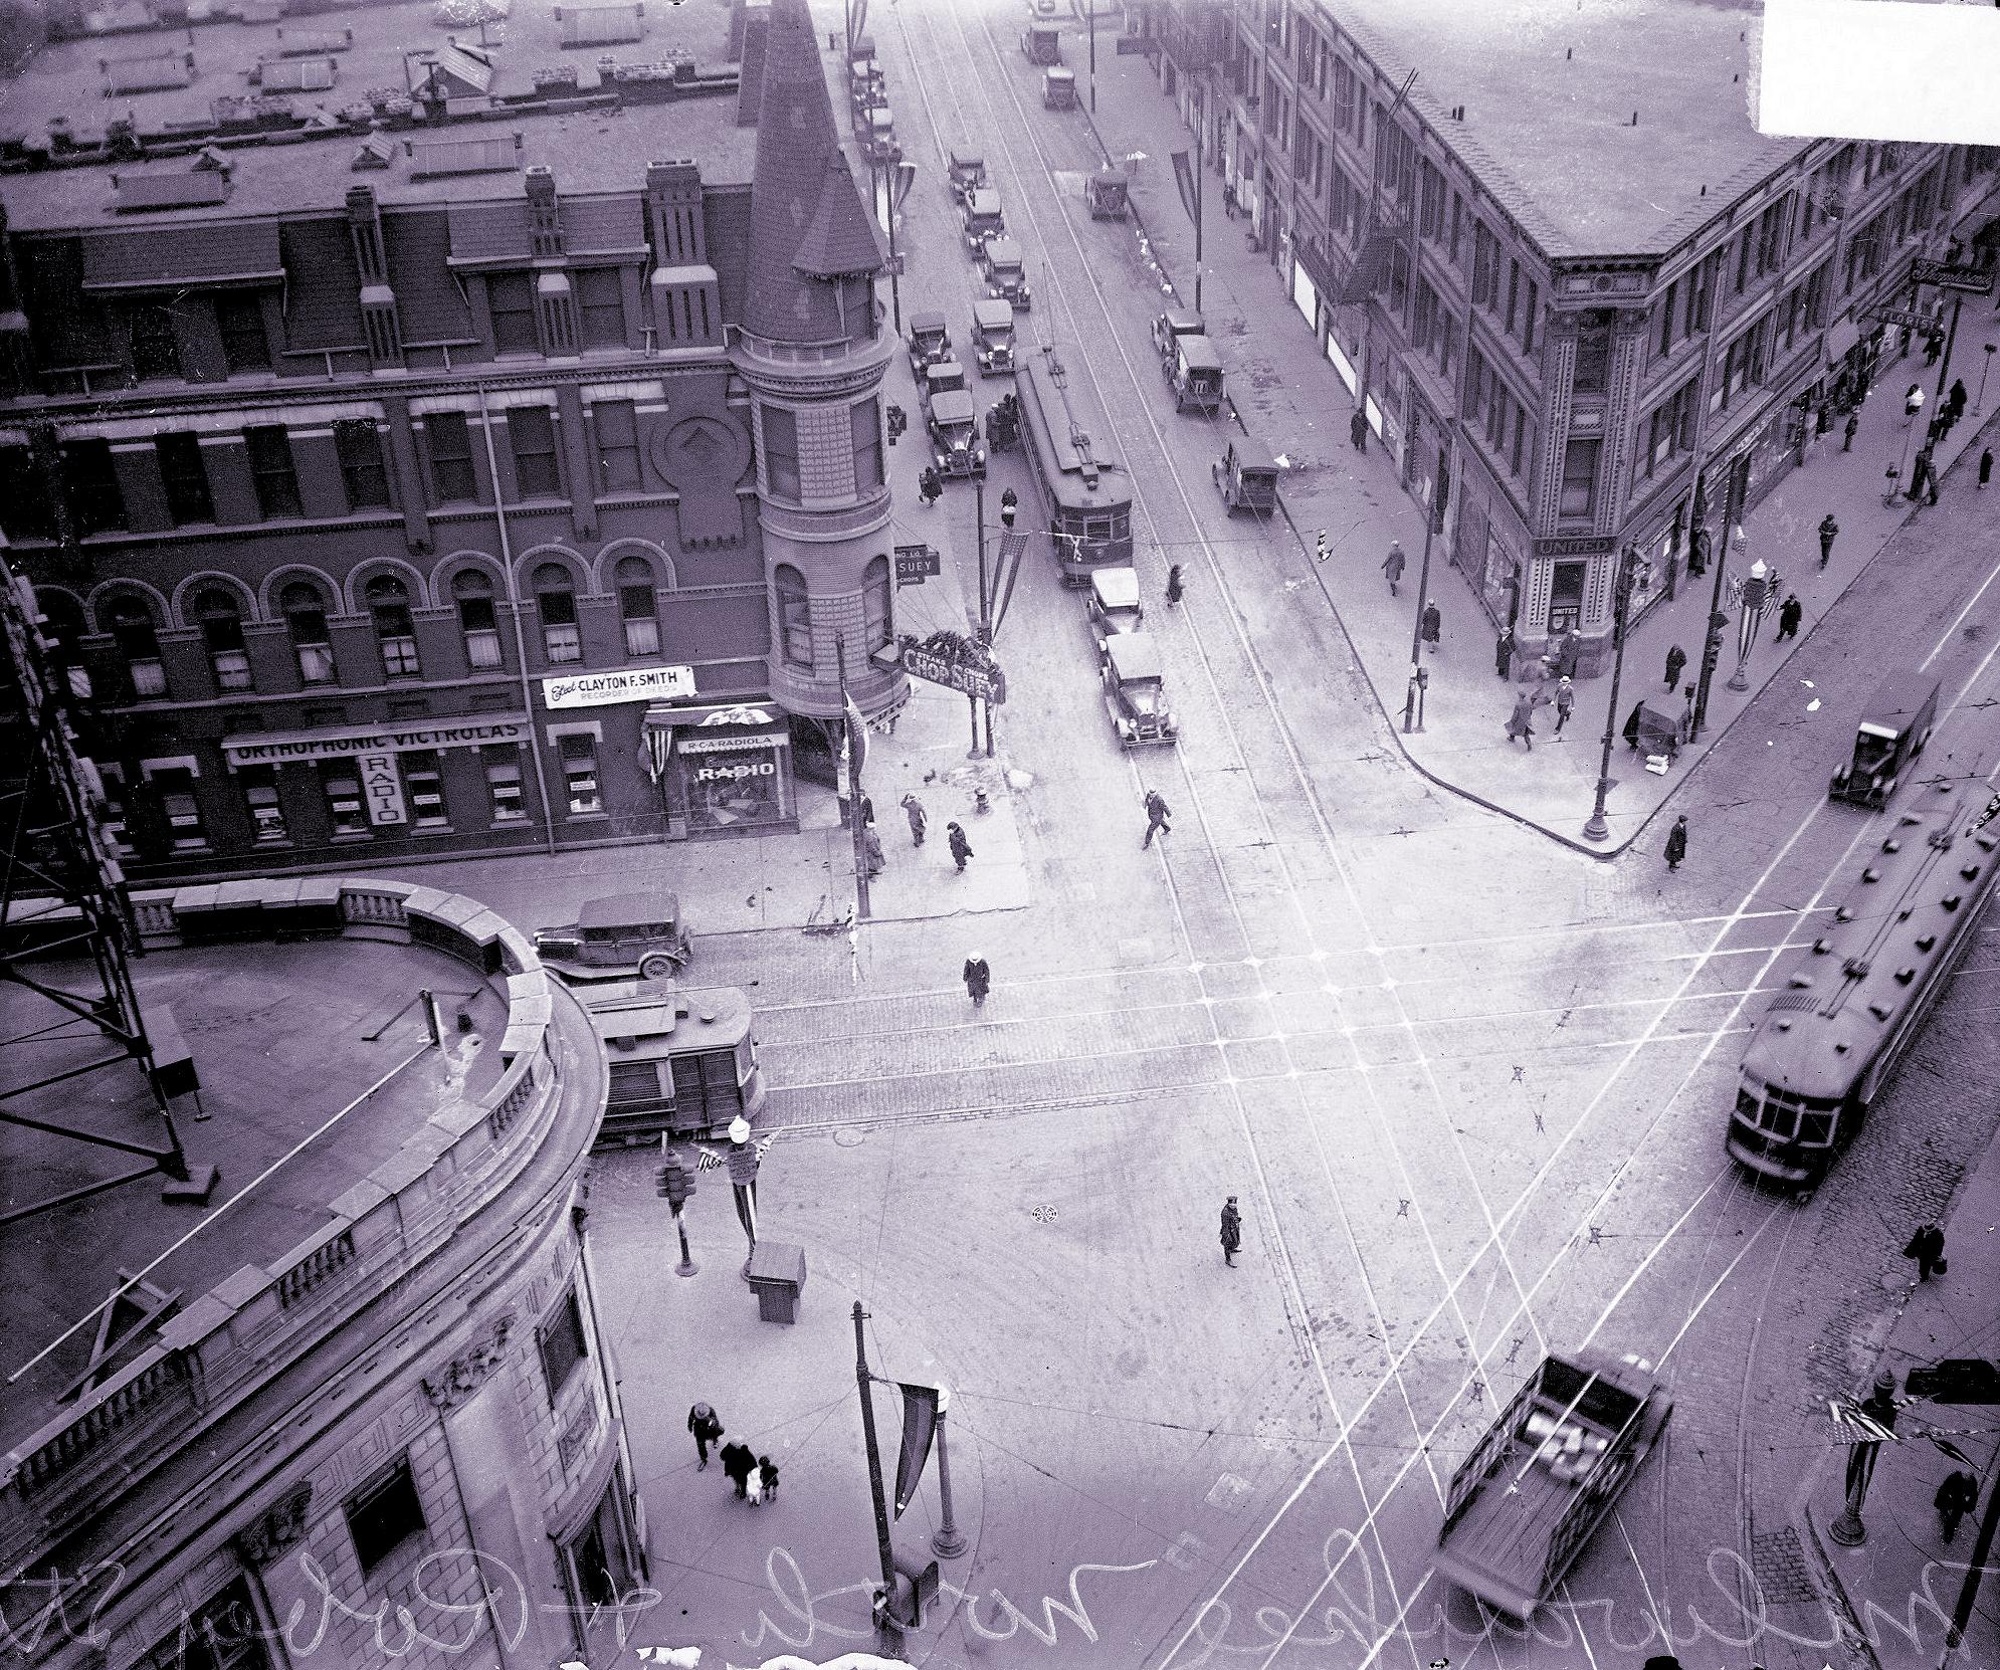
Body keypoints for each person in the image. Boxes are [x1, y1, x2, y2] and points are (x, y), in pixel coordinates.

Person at [1936, 1470, 1979, 1543]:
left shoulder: (1970, 1484)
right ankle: (1948, 1526)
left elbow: (1973, 1495)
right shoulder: (1954, 1479)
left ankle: (1949, 1530)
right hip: (1951, 1499)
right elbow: (1944, 1489)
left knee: (1955, 1514)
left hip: (1959, 1502)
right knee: (1948, 1513)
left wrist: (1970, 1505)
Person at [688, 1403, 724, 1470]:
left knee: (719, 1431)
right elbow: (690, 1418)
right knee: (700, 1445)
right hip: (699, 1430)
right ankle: (703, 1459)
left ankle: (715, 1440)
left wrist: (711, 1423)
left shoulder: (711, 1411)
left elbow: (716, 1422)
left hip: (709, 1429)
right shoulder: (694, 1409)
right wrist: (690, 1426)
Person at [1220, 1196, 1242, 1266]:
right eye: (1232, 1205)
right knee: (1228, 1243)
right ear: (1229, 1204)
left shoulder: (1234, 1208)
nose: (1233, 1206)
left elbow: (1235, 1215)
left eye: (1235, 1204)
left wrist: (1237, 1220)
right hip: (1228, 1230)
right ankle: (1228, 1259)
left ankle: (1232, 1249)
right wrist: (1225, 1234)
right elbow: (1225, 1224)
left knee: (1236, 1241)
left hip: (1234, 1228)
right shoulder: (1225, 1213)